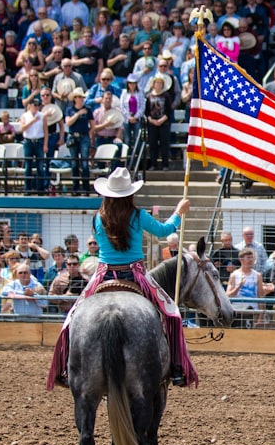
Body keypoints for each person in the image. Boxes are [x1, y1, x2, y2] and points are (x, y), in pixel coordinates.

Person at [46, 167, 194, 390]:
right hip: (135, 274)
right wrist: (178, 213)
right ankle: (176, 367)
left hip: (103, 274)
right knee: (172, 313)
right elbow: (164, 231)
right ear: (130, 194)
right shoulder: (139, 215)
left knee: (72, 318)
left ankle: (65, 367)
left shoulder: (97, 219)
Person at [226, 247, 262, 327]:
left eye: (252, 258)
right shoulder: (234, 275)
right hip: (237, 311)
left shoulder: (257, 275)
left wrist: (260, 316)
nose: (250, 260)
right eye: (248, 258)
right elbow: (228, 295)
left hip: (252, 311)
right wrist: (238, 287)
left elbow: (260, 297)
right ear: (241, 259)